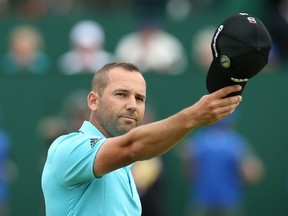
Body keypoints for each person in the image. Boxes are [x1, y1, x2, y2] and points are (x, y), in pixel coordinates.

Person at [41, 62, 242, 216]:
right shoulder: (68, 147)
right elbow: (132, 147)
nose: (132, 105)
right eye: (121, 94)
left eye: (139, 98)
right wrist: (193, 117)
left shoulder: (123, 166)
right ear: (93, 101)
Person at [182, 113, 264, 216]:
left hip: (224, 201)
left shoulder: (199, 141)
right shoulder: (236, 142)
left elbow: (190, 173)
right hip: (208, 200)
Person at [114, 19, 188, 75]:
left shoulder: (168, 41)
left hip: (164, 78)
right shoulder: (128, 41)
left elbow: (177, 63)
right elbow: (120, 62)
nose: (147, 32)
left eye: (150, 29)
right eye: (145, 29)